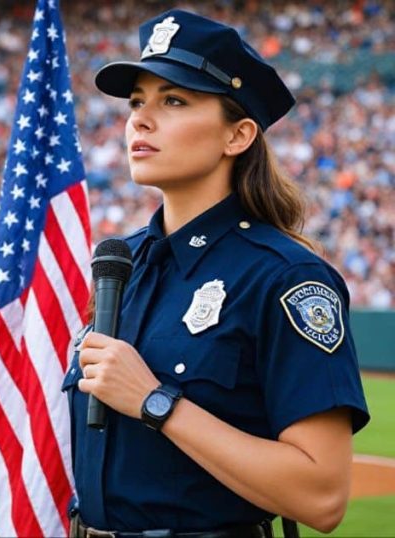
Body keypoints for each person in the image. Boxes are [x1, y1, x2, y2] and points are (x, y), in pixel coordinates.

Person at [62, 10, 370, 536]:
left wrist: (155, 402)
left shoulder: (284, 278)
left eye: (174, 100)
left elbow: (322, 497)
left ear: (238, 135)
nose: (140, 118)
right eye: (137, 101)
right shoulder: (121, 263)